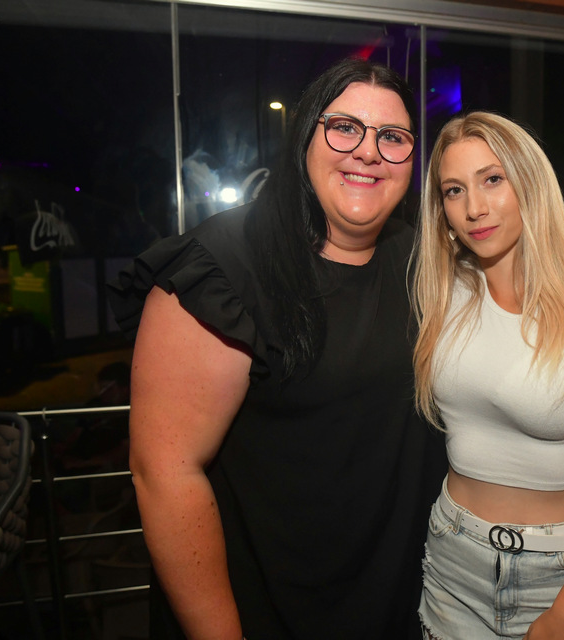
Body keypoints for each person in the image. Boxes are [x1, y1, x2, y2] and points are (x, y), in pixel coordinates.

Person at [108, 58, 446, 639]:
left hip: (396, 604)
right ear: (305, 136)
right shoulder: (223, 268)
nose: (369, 152)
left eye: (393, 137)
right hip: (265, 609)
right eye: (345, 128)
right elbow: (165, 473)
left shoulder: (422, 262)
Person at [412, 112, 564, 639]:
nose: (474, 208)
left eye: (492, 179)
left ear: (531, 181)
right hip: (454, 557)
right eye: (454, 190)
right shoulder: (444, 287)